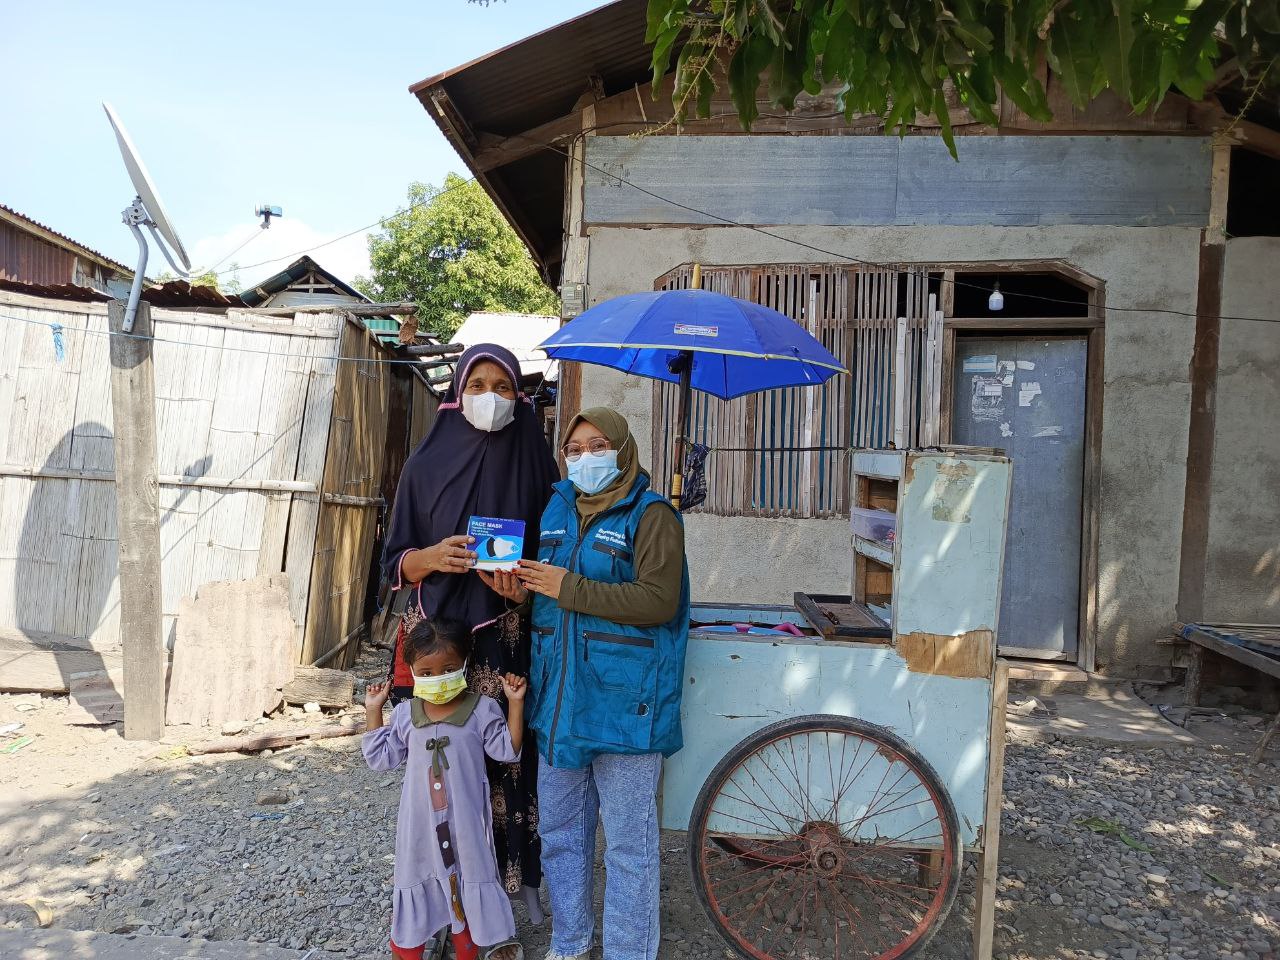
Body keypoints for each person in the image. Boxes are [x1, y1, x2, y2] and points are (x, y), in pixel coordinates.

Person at [488, 407, 690, 960]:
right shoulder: (557, 507)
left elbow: (658, 601)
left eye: (596, 445)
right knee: (560, 836)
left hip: (626, 705)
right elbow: (552, 594)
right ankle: (571, 942)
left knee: (628, 846)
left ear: (623, 450)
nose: (583, 458)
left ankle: (629, 952)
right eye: (573, 450)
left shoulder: (653, 517)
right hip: (559, 703)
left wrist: (568, 585)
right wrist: (521, 593)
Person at [381, 343, 559, 919]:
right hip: (434, 634)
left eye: (503, 387)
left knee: (509, 759)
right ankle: (436, 894)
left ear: (519, 396)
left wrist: (523, 590)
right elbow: (393, 565)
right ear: (458, 391)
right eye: (478, 384)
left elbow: (553, 558)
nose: (490, 396)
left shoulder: (535, 460)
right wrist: (430, 556)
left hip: (504, 631)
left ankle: (517, 884)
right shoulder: (425, 464)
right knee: (437, 765)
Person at [364, 619, 527, 960]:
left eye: (448, 668)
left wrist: (515, 703)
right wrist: (374, 711)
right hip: (419, 828)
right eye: (425, 672)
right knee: (417, 877)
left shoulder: (482, 710)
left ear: (465, 665)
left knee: (469, 879)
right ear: (410, 671)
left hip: (466, 826)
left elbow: (508, 750)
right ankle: (408, 947)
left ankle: (472, 945)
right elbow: (380, 758)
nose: (437, 678)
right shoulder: (406, 714)